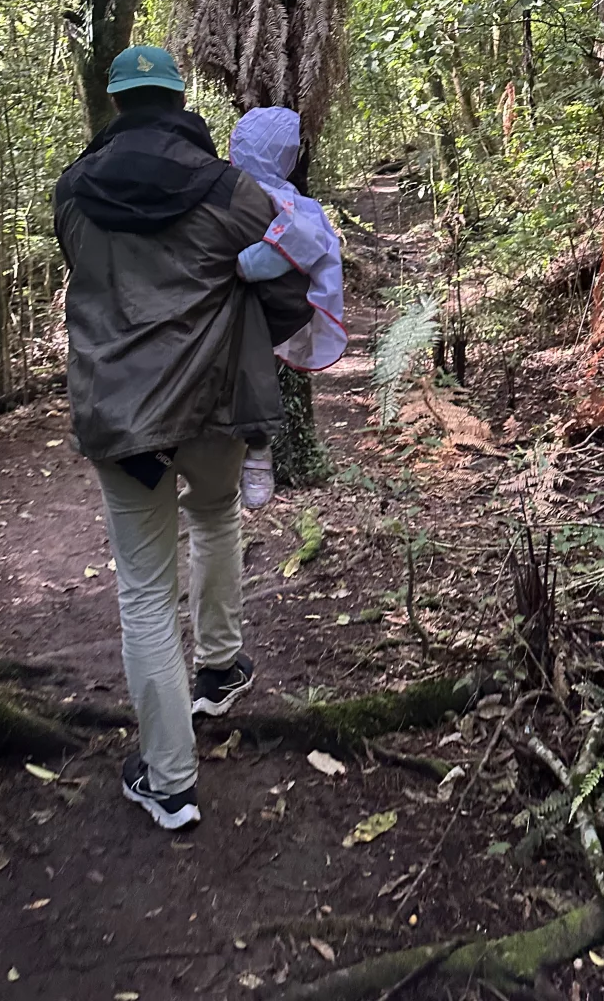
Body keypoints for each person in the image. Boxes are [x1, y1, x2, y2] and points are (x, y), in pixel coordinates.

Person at [54, 46, 313, 830]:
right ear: (177, 100)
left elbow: (89, 277)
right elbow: (291, 283)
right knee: (215, 515)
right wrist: (242, 328)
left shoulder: (72, 190)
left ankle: (169, 780)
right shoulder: (231, 189)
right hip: (215, 403)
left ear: (116, 105)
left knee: (142, 589)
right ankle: (221, 665)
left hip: (121, 419)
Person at [229, 106, 348, 509]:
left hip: (273, 301)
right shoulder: (241, 193)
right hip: (247, 307)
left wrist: (247, 265)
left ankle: (259, 450)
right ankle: (253, 450)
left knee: (255, 364)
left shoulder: (289, 202)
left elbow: (302, 241)